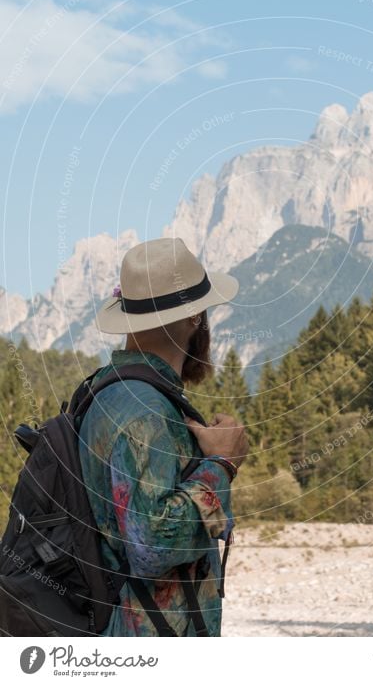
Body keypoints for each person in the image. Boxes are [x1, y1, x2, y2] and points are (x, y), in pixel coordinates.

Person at [79, 236, 249, 636]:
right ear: (195, 318)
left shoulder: (112, 390)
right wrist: (221, 465)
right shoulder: (145, 410)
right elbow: (151, 544)